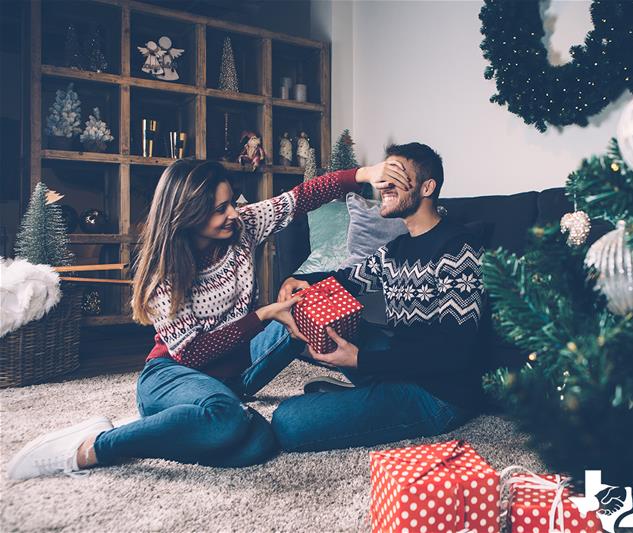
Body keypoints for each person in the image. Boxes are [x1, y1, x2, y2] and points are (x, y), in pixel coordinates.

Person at [7, 159, 400, 480]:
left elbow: (301, 198)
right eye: (219, 209)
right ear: (187, 213)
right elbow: (192, 354)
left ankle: (377, 393)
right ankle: (94, 445)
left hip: (235, 376)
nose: (234, 214)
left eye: (231, 203)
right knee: (227, 419)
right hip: (172, 374)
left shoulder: (241, 229)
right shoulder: (163, 272)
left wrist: (364, 174)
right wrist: (264, 314)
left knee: (260, 443)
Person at [268, 142, 488, 452]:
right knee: (305, 303)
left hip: (440, 394)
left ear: (427, 187)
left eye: (395, 174)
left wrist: (361, 360)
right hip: (400, 362)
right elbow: (345, 280)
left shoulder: (458, 249)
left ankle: (362, 398)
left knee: (288, 423)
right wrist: (297, 279)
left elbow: (456, 351)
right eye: (383, 175)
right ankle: (236, 389)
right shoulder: (397, 248)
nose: (383, 184)